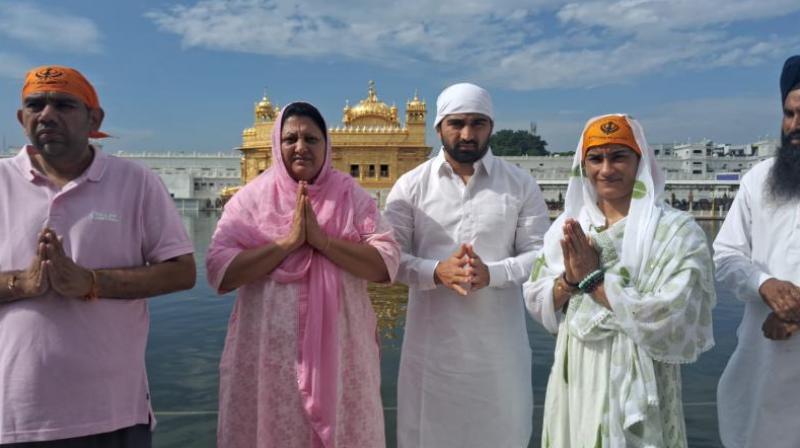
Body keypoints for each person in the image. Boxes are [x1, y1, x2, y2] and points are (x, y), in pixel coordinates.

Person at [0, 65, 196, 447]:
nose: (47, 115)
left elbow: (182, 272)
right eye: (35, 105)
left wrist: (91, 281)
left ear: (95, 118)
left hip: (113, 413)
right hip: (13, 415)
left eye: (63, 104)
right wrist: (20, 283)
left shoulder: (136, 182)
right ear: (21, 118)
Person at [206, 102, 400, 448]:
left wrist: (323, 242)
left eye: (311, 139)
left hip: (342, 359)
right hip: (270, 359)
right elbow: (219, 271)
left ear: (327, 148)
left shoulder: (350, 197)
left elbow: (386, 262)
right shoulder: (251, 201)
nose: (301, 147)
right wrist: (287, 243)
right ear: (275, 147)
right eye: (290, 138)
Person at [524, 114, 715, 447]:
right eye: (596, 158)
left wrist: (595, 283)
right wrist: (570, 279)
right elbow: (538, 299)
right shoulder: (570, 227)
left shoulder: (674, 232)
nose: (606, 169)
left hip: (641, 373)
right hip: (579, 369)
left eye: (618, 157)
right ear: (583, 166)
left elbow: (675, 311)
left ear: (639, 162)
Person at [384, 83, 550, 447]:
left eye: (478, 123)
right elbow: (390, 260)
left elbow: (541, 255)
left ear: (491, 126)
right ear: (439, 127)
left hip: (498, 353)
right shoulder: (410, 186)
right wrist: (436, 272)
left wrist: (494, 273)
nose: (467, 133)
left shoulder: (520, 184)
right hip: (432, 355)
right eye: (456, 123)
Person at [715, 55, 800, 448]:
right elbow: (726, 256)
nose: (795, 125)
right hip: (761, 370)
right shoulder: (759, 179)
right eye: (789, 113)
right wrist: (763, 284)